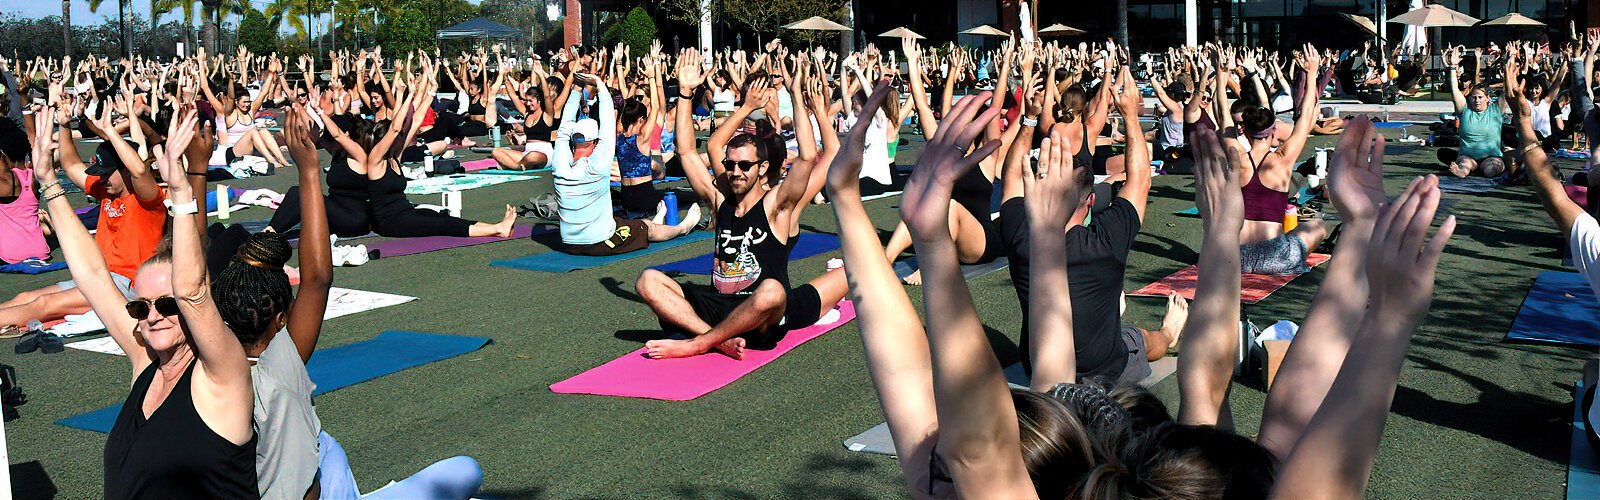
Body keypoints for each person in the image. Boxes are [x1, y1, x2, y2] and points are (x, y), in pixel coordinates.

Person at [38, 102, 259, 499]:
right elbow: (92, 276)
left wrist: (181, 193)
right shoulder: (145, 360)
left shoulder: (221, 374)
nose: (153, 316)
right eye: (142, 306)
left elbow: (192, 290)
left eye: (167, 304)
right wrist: (48, 182)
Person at [634, 49, 847, 360]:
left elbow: (808, 156)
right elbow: (688, 151)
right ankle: (717, 339)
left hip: (761, 315)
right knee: (648, 280)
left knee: (774, 290)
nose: (735, 172)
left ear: (761, 168)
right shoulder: (720, 199)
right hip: (719, 309)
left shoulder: (778, 205)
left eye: (745, 166)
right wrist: (684, 92)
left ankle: (698, 342)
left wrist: (797, 96)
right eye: (730, 166)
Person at [998, 63, 1160, 387]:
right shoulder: (1104, 243)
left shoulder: (1019, 237)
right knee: (1143, 338)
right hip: (1103, 369)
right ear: (1089, 203)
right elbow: (1140, 179)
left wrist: (1029, 119)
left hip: (1038, 367)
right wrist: (1130, 114)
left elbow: (1011, 177)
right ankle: (1170, 332)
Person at [0, 80, 167, 330]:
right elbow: (70, 164)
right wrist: (64, 125)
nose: (100, 178)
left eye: (106, 173)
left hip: (126, 284)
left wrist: (110, 131)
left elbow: (139, 170)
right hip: (98, 276)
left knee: (43, 305)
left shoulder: (147, 199)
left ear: (123, 170)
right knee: (26, 298)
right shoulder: (104, 189)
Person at [544, 72, 699, 256]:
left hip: (569, 244)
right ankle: (683, 227)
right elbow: (608, 120)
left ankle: (655, 220)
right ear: (595, 142)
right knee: (647, 229)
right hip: (599, 242)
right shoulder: (598, 165)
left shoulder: (559, 164)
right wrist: (599, 85)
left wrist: (577, 89)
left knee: (626, 222)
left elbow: (564, 127)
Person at [1230, 45, 1330, 275]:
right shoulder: (1283, 159)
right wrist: (1312, 73)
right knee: (1319, 225)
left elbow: (1223, 118)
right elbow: (1305, 117)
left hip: (1236, 258)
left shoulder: (1236, 155)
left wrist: (1219, 74)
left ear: (1244, 130)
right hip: (1274, 257)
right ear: (1273, 130)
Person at [1442, 45, 1511, 178]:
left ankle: (1486, 168)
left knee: (1491, 170)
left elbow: (1508, 91)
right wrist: (1452, 67)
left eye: (1480, 97)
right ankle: (1461, 171)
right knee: (1464, 165)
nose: (1477, 100)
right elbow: (1455, 90)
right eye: (1474, 97)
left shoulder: (1496, 109)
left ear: (1487, 99)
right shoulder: (1465, 110)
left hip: (1492, 157)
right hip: (1468, 157)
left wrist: (1508, 65)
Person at [0, 116, 49, 268]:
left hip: (10, 256)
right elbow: (33, 138)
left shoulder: (6, 181)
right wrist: (23, 100)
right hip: (41, 252)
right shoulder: (34, 175)